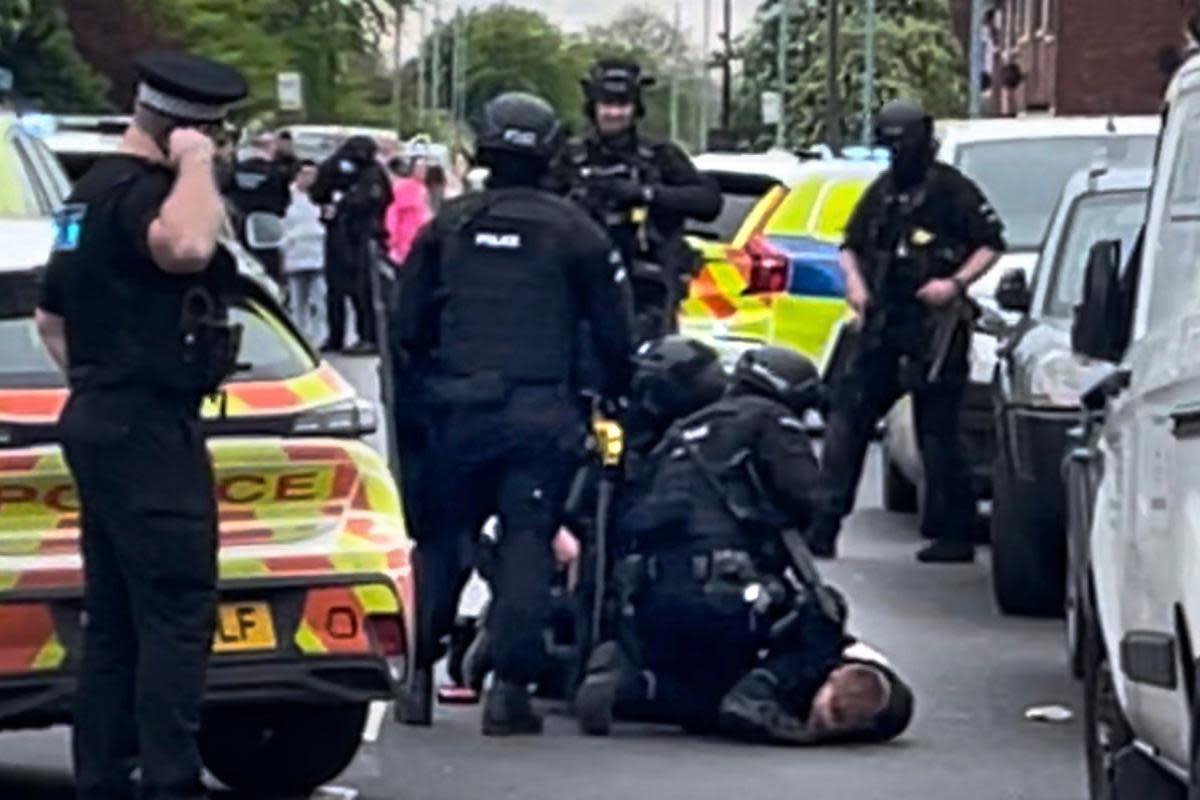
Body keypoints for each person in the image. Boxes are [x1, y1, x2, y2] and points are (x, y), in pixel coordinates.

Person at [33, 50, 247, 800]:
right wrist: (194, 167)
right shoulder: (149, 193)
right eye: (213, 137)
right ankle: (170, 781)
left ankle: (105, 777)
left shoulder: (84, 197)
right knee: (177, 614)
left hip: (98, 416)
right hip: (149, 425)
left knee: (117, 620)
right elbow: (187, 249)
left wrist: (99, 384)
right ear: (191, 130)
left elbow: (48, 319)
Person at [390, 91, 635, 735]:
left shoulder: (450, 225)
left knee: (442, 543)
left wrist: (423, 398)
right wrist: (614, 393)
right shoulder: (575, 230)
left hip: (456, 409)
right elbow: (615, 330)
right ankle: (511, 692)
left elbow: (405, 324)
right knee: (529, 540)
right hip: (540, 411)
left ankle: (416, 680)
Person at [572, 346, 900, 743]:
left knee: (711, 696)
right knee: (823, 616)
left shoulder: (677, 435)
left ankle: (632, 684)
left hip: (649, 599)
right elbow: (808, 498)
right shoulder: (770, 419)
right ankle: (761, 692)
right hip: (724, 592)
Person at [808, 99, 1006, 564]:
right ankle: (823, 523)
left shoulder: (951, 190)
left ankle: (953, 532)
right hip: (882, 324)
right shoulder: (881, 192)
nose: (899, 157)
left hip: (934, 326)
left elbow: (992, 243)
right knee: (847, 420)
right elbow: (850, 247)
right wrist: (855, 286)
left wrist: (954, 283)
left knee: (938, 431)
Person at [550, 58, 722, 343]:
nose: (614, 113)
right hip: (581, 287)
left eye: (622, 105)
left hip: (646, 289)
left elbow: (708, 201)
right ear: (593, 107)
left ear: (635, 108)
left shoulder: (659, 156)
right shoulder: (569, 157)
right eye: (606, 104)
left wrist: (646, 194)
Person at [312, 135, 393, 355]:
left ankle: (368, 336)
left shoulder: (373, 172)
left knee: (364, 288)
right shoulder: (335, 166)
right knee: (336, 288)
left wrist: (343, 200)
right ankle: (336, 336)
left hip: (365, 235)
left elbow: (376, 198)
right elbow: (317, 192)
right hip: (340, 233)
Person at [226, 131, 290, 281]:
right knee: (269, 268)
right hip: (268, 228)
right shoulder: (276, 173)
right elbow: (283, 201)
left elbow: (228, 192)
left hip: (240, 224)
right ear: (270, 147)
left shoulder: (238, 170)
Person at [282, 159, 327, 343]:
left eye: (313, 175)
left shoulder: (320, 196)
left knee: (318, 299)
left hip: (317, 253)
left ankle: (319, 335)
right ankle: (298, 335)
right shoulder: (287, 196)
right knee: (297, 300)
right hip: (294, 252)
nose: (309, 179)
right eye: (305, 174)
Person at [385, 156, 432, 265]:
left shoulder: (423, 188)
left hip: (420, 240)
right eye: (419, 167)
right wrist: (391, 237)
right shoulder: (403, 187)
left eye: (425, 168)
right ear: (412, 169)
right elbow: (393, 212)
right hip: (405, 241)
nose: (423, 171)